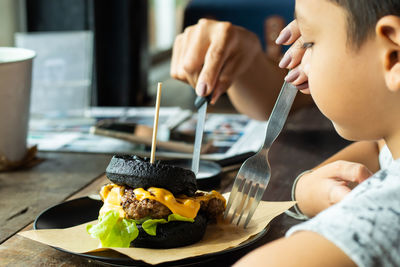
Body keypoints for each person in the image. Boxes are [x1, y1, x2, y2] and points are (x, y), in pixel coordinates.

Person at [232, 0, 400, 266]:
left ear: (393, 56)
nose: (299, 62)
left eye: (308, 43)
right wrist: (307, 188)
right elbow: (381, 149)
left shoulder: (381, 217)